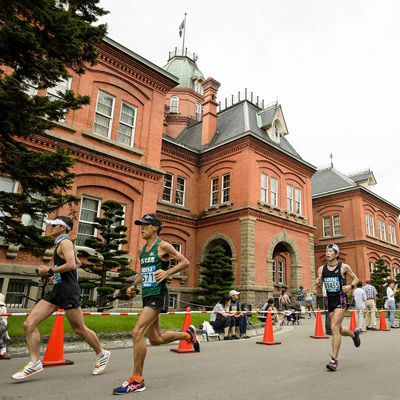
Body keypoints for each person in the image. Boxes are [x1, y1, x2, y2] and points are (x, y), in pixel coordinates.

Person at [12, 217, 110, 380]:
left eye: (54, 225)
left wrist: (50, 271)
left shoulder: (64, 242)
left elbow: (72, 265)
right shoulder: (63, 243)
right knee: (29, 323)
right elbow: (77, 263)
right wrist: (57, 275)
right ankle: (35, 363)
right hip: (58, 289)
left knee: (79, 329)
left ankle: (102, 354)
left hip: (68, 291)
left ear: (63, 228)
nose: (51, 227)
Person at [113, 214, 198, 395]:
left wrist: (168, 273)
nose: (142, 228)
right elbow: (143, 271)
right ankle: (188, 335)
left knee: (137, 332)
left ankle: (137, 380)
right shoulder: (142, 250)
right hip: (147, 295)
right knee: (155, 339)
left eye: (145, 225)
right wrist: (133, 285)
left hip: (158, 295)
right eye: (141, 225)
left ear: (155, 228)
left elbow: (185, 262)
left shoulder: (163, 246)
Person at [316, 243, 360, 371]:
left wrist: (350, 287)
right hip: (330, 300)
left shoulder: (343, 267)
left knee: (333, 326)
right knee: (339, 329)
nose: (327, 253)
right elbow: (319, 285)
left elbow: (356, 279)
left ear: (336, 254)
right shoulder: (321, 269)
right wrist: (318, 283)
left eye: (330, 251)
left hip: (341, 299)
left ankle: (334, 360)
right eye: (326, 251)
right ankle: (353, 335)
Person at [0, 293, 10, 360]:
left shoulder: (3, 308)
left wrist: (6, 334)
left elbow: (4, 320)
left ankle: (2, 351)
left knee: (2, 327)